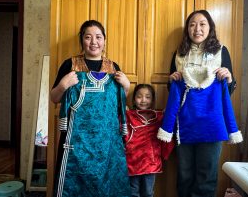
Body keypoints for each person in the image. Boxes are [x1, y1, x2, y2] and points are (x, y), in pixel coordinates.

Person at [157, 10, 243, 197]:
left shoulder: (221, 51)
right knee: (184, 175)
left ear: (210, 27)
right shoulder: (179, 53)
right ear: (187, 29)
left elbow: (227, 91)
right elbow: (173, 91)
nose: (197, 29)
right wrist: (171, 80)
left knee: (207, 176)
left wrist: (228, 79)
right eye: (192, 24)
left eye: (202, 24)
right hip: (184, 124)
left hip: (211, 124)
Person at [50, 20, 131, 197]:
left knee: (106, 183)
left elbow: (117, 103)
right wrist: (63, 84)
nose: (94, 42)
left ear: (104, 40)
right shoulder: (69, 65)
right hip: (76, 139)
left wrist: (127, 86)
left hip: (106, 139)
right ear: (82, 41)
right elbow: (54, 98)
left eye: (98, 37)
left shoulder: (113, 67)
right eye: (88, 37)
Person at [125, 84, 174, 197]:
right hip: (132, 162)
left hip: (151, 162)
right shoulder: (128, 115)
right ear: (133, 99)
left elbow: (168, 128)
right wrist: (123, 112)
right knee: (133, 192)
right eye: (139, 96)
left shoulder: (159, 116)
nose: (143, 100)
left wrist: (167, 115)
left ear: (152, 100)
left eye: (148, 97)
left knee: (148, 192)